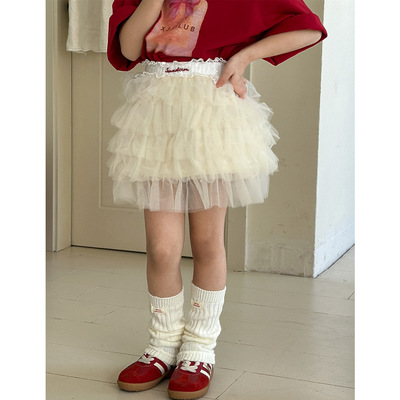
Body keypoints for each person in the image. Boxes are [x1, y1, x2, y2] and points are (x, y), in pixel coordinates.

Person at [107, 1, 327, 399]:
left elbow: (309, 28)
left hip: (212, 112)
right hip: (156, 115)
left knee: (207, 241)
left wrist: (243, 57)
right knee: (161, 248)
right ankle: (161, 345)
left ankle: (199, 349)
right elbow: (127, 49)